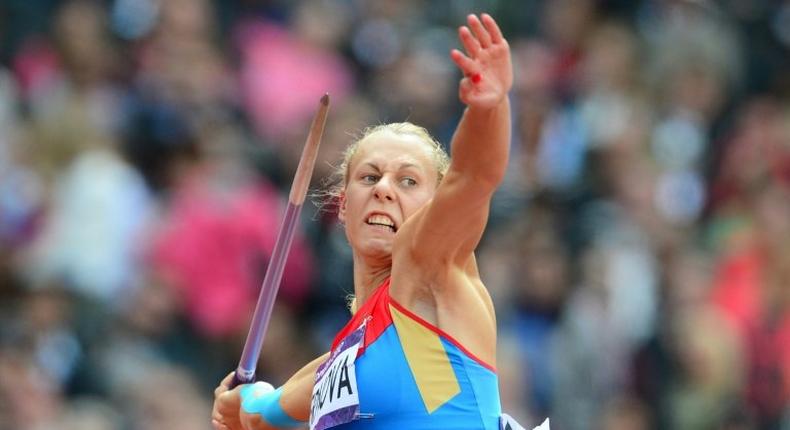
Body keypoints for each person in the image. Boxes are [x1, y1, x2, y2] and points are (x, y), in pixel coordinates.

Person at [213, 13, 520, 430]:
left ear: (435, 205)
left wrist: (489, 109)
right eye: (370, 176)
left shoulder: (428, 272)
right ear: (343, 205)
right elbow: (271, 407)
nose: (384, 189)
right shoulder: (347, 358)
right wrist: (246, 404)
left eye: (408, 180)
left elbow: (474, 177)